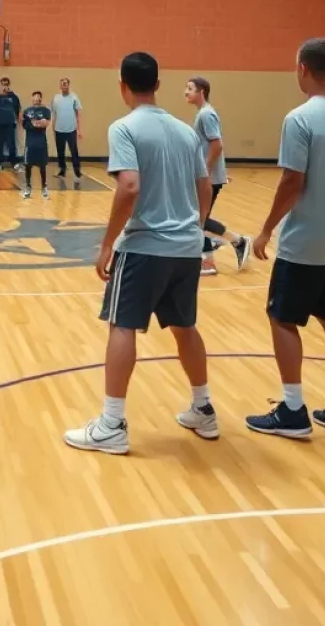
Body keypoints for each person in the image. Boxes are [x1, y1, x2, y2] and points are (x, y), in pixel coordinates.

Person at [64, 52, 217, 455]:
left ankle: (112, 423)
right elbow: (205, 187)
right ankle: (203, 408)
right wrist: (195, 229)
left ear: (122, 85)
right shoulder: (186, 132)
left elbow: (129, 187)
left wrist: (108, 242)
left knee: (122, 325)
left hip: (145, 247)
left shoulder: (124, 128)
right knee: (185, 327)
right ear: (158, 84)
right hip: (186, 248)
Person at [247, 38, 325, 441]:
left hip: (307, 241)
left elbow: (292, 180)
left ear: (302, 68)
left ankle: (293, 410)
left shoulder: (299, 118)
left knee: (282, 317)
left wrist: (266, 228)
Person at [184, 76, 251, 275]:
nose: (186, 92)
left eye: (190, 88)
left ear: (202, 91)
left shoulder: (206, 114)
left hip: (208, 178)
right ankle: (211, 259)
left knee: (199, 219)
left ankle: (236, 241)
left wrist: (205, 171)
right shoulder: (203, 114)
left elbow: (217, 144)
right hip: (208, 176)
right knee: (199, 219)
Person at [51, 77, 83, 184]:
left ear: (68, 85)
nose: (64, 85)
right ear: (60, 86)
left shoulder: (74, 97)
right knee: (60, 152)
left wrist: (79, 129)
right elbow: (54, 114)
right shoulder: (56, 98)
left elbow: (78, 114)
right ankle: (62, 171)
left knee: (74, 151)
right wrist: (53, 129)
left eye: (65, 83)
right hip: (59, 129)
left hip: (71, 130)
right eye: (62, 84)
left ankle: (77, 172)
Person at [21, 90, 52, 199]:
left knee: (42, 166)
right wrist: (36, 123)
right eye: (34, 97)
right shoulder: (27, 111)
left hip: (41, 142)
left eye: (38, 97)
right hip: (30, 143)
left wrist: (36, 123)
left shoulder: (46, 111)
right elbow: (25, 124)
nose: (36, 99)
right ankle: (28, 187)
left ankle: (44, 187)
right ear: (32, 98)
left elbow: (46, 123)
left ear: (40, 99)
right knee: (27, 165)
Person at [0, 77, 22, 172]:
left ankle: (14, 163)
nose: (4, 86)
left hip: (10, 124)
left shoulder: (14, 97)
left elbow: (18, 110)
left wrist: (20, 122)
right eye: (3, 84)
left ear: (9, 85)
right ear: (0, 85)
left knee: (12, 144)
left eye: (6, 84)